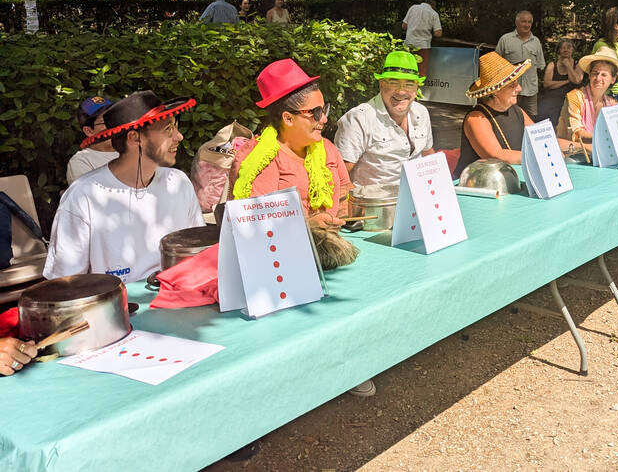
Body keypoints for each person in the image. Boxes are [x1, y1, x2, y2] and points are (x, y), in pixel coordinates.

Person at [229, 59, 371, 396]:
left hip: (329, 256)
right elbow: (256, 229)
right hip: (278, 265)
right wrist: (308, 225)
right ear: (287, 118)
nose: (325, 119)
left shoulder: (326, 149)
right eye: (316, 113)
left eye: (325, 110)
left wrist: (340, 215)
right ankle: (295, 382)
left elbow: (343, 199)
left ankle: (351, 362)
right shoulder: (258, 159)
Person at [44, 91, 204, 281]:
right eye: (168, 129)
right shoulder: (84, 196)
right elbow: (64, 284)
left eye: (175, 127)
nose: (179, 137)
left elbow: (199, 254)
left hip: (180, 298)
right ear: (135, 138)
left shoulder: (179, 183)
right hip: (117, 306)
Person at [555, 48, 618, 250]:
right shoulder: (574, 97)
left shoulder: (612, 102)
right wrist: (611, 135)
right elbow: (577, 132)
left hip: (600, 157)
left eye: (604, 74)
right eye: (594, 73)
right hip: (575, 157)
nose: (598, 78)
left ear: (613, 80)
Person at [335, 51, 434, 187]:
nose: (401, 91)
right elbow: (340, 177)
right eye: (394, 83)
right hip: (374, 204)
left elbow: (428, 155)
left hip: (416, 199)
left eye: (409, 84)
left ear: (417, 88)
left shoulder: (421, 112)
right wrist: (361, 206)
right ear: (381, 84)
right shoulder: (358, 119)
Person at [495, 10, 545, 118]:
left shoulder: (536, 42)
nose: (527, 25)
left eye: (529, 22)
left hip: (530, 91)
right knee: (508, 117)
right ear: (517, 23)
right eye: (523, 21)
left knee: (531, 120)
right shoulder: (505, 40)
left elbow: (540, 65)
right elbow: (496, 63)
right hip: (509, 90)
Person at [66, 96, 118, 185]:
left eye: (114, 117)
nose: (113, 124)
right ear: (88, 131)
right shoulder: (81, 161)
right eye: (105, 121)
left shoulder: (132, 148)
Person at [538, 39, 583, 124]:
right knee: (542, 110)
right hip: (551, 99)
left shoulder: (577, 65)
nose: (566, 50)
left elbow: (576, 80)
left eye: (569, 47)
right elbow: (547, 84)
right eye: (563, 48)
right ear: (559, 50)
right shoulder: (552, 65)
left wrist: (568, 66)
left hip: (570, 100)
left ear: (573, 49)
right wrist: (566, 81)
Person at [402, 0, 442, 78]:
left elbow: (404, 26)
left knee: (407, 70)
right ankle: (417, 89)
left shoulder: (413, 8)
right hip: (423, 46)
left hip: (408, 44)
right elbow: (438, 33)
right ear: (433, 6)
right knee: (420, 73)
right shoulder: (433, 13)